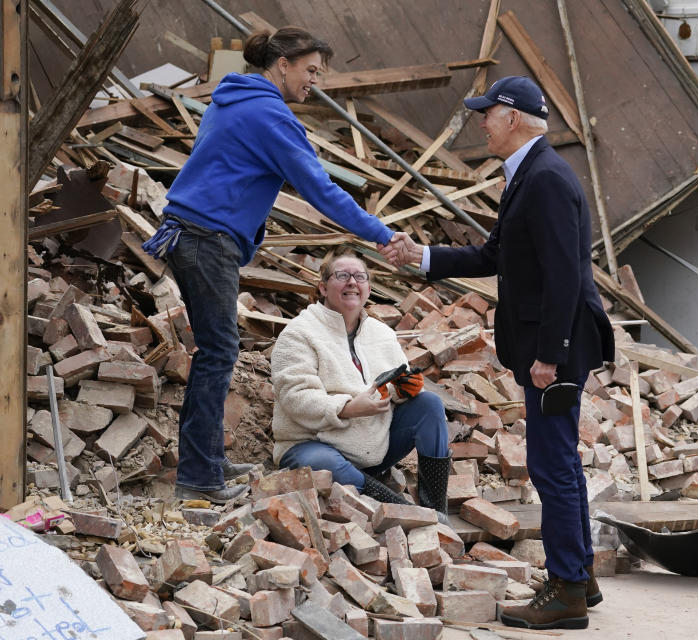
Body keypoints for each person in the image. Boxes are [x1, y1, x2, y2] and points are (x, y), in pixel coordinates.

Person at [383, 76, 615, 630]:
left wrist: (551, 355)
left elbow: (564, 273)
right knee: (558, 462)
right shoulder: (529, 174)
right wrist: (423, 257)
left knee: (551, 464)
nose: (480, 123)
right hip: (549, 343)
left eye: (486, 113)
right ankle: (578, 576)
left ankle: (565, 593)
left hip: (556, 348)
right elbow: (495, 254)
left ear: (511, 117)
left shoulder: (547, 179)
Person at [142, 28, 400, 504]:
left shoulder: (233, 98)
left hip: (191, 233)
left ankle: (208, 462)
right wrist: (381, 234)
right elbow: (321, 191)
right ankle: (199, 477)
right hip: (205, 237)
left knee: (215, 351)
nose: (313, 82)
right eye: (310, 71)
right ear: (283, 63)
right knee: (218, 354)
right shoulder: (269, 115)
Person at [270, 251, 451, 520]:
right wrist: (348, 408)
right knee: (325, 464)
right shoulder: (299, 333)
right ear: (323, 287)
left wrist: (404, 391)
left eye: (360, 276)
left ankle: (435, 508)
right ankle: (408, 514)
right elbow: (295, 398)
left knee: (429, 404)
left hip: (373, 449)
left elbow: (393, 389)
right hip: (314, 445)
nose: (352, 282)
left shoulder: (383, 334)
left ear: (368, 287)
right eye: (342, 276)